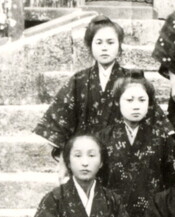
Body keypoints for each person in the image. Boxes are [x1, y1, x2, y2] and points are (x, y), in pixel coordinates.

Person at [34, 16, 135, 151]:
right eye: (98, 43)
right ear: (90, 46)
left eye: (110, 42)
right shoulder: (79, 80)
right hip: (85, 153)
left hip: (122, 152)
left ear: (119, 46)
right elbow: (59, 118)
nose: (104, 48)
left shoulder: (132, 79)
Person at [99, 75, 175, 217]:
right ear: (117, 102)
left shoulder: (162, 138)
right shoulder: (103, 138)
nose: (136, 106)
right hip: (113, 215)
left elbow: (172, 179)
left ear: (150, 103)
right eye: (129, 100)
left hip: (153, 216)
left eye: (142, 100)